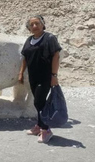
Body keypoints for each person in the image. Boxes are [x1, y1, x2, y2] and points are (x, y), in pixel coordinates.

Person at [18, 15, 62, 143]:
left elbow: (56, 56)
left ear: (43, 24)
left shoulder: (49, 38)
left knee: (39, 102)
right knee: (38, 102)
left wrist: (54, 75)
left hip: (45, 76)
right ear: (28, 28)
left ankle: (46, 130)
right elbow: (25, 57)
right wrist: (21, 73)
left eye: (37, 23)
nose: (34, 26)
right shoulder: (29, 40)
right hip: (33, 76)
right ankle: (39, 126)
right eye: (31, 25)